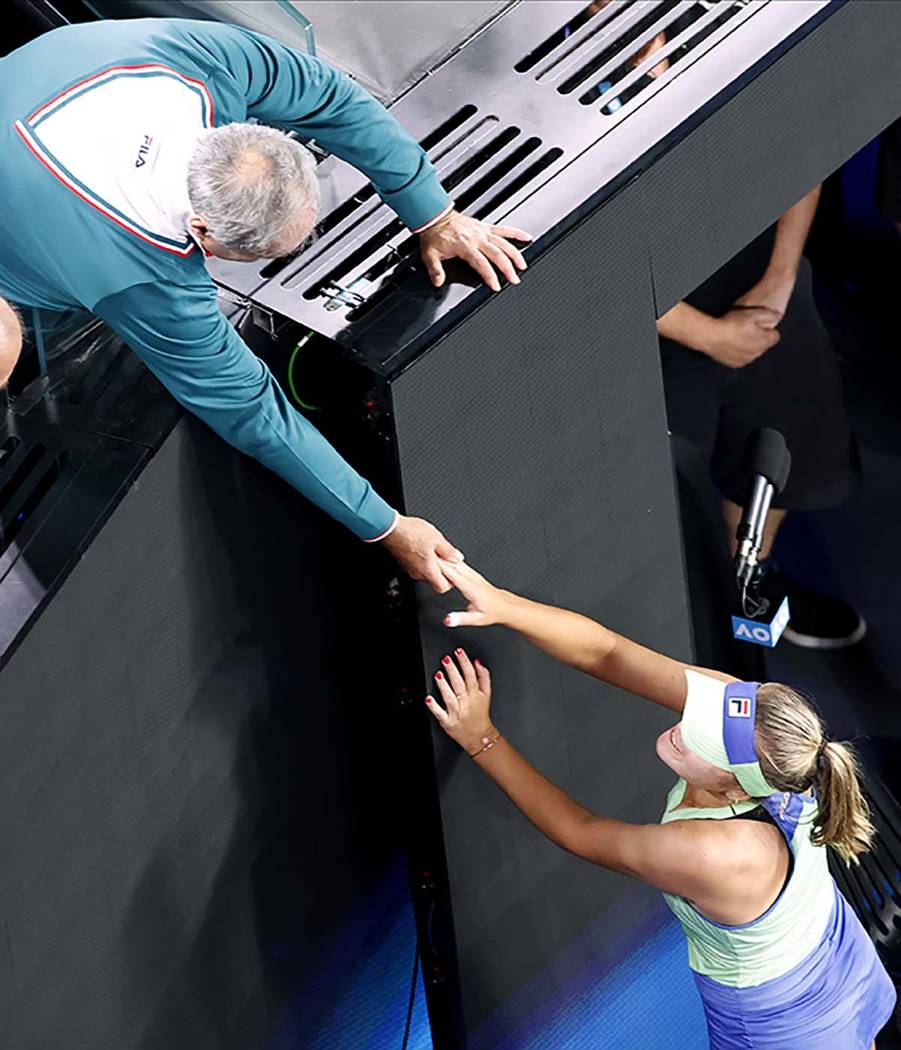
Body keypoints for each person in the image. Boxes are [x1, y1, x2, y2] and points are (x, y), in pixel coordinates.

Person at [0, 18, 531, 594]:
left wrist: (435, 215)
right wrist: (385, 526)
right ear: (202, 231)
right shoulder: (138, 275)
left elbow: (333, 100)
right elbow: (248, 409)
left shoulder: (201, 57)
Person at [425, 560, 895, 1049]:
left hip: (786, 1028)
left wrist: (482, 738)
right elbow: (608, 653)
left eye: (702, 744)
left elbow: (579, 830)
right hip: (832, 941)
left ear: (737, 790)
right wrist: (504, 606)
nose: (683, 729)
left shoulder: (709, 853)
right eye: (703, 718)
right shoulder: (756, 726)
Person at [657, 185, 865, 648]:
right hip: (649, 335)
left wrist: (782, 274)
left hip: (765, 292)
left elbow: (795, 155)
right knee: (665, 509)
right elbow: (581, 263)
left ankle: (750, 583)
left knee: (782, 450)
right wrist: (709, 335)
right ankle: (688, 627)